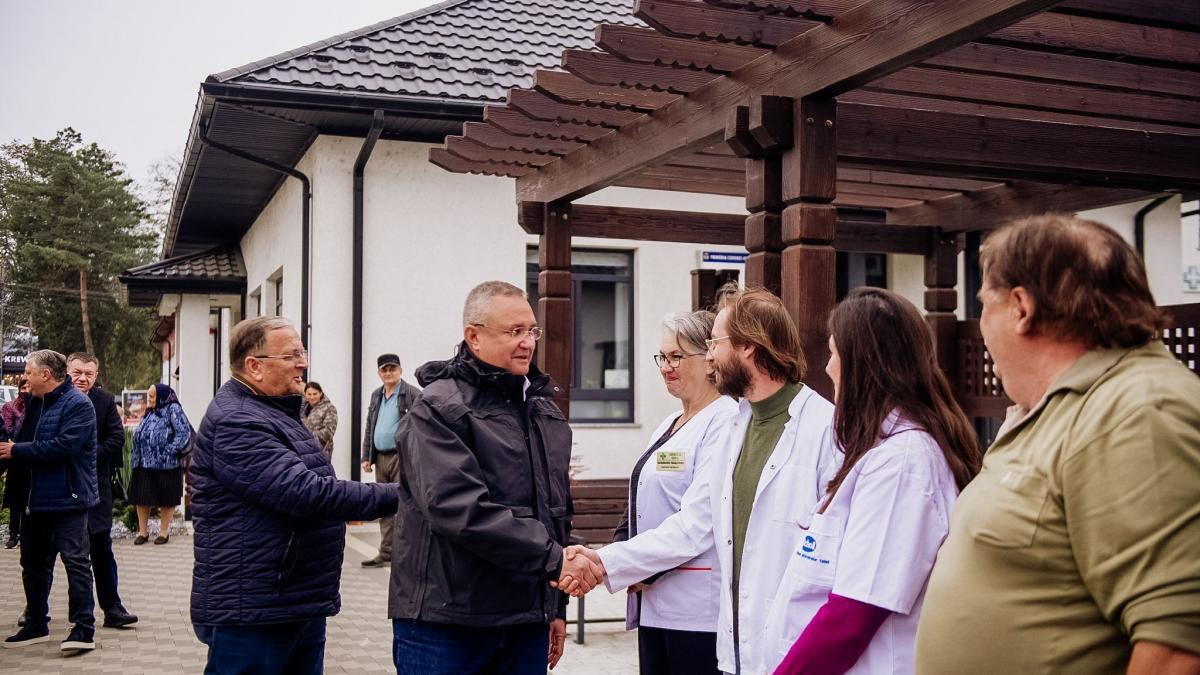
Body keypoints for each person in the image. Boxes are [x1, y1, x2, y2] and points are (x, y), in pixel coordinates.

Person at [916, 215, 1200, 674]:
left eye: (984, 304)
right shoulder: (1067, 407)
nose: (982, 326)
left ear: (1021, 308)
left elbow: (1179, 646)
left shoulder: (1140, 409)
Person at [769, 289, 981, 674]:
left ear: (860, 365)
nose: (828, 367)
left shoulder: (903, 463)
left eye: (833, 354)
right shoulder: (880, 451)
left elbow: (856, 612)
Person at [190, 316, 400, 674]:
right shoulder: (237, 421)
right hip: (256, 609)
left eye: (302, 352)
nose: (303, 363)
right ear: (254, 366)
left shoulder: (276, 410)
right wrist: (406, 493)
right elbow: (307, 493)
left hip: (293, 600)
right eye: (290, 356)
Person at [390, 281, 577, 674]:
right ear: (473, 337)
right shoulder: (437, 409)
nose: (527, 342)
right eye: (514, 332)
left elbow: (554, 511)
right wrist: (555, 561)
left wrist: (555, 604)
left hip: (524, 621)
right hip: (448, 625)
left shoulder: (543, 410)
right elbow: (459, 509)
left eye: (532, 331)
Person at [560, 311, 737, 675]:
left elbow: (696, 524)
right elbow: (639, 499)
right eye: (663, 357)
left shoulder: (726, 422)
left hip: (697, 613)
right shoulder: (669, 424)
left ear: (709, 359)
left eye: (677, 357)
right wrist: (614, 552)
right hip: (652, 600)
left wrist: (603, 563)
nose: (666, 367)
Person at [702, 287, 840, 675]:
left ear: (748, 346)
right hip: (735, 656)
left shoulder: (825, 429)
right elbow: (699, 526)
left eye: (714, 342)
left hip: (797, 653)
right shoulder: (734, 425)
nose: (708, 355)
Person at [0, 350, 99, 652]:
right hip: (34, 499)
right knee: (32, 564)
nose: (24, 378)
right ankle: (35, 623)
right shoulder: (34, 403)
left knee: (76, 563)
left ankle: (83, 630)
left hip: (68, 499)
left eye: (29, 372)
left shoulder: (78, 405)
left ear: (45, 375)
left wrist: (17, 450)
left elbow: (64, 447)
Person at [67, 353, 138, 627]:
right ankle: (38, 613)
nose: (83, 378)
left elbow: (116, 438)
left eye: (89, 373)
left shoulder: (105, 401)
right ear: (67, 370)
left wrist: (88, 453)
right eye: (77, 372)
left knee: (101, 549)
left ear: (96, 376)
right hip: (61, 490)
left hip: (96, 489)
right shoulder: (52, 398)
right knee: (54, 555)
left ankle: (112, 608)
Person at [359, 353, 420, 568]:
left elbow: (421, 426)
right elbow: (370, 425)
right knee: (384, 505)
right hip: (381, 457)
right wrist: (367, 456)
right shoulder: (377, 395)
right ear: (379, 373)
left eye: (392, 369)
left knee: (404, 505)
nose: (388, 373)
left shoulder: (412, 394)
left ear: (400, 370)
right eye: (384, 370)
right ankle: (386, 552)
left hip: (401, 456)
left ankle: (405, 553)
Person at [129, 383, 190, 545]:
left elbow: (183, 432)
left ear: (162, 395)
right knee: (141, 497)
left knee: (166, 498)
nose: (149, 399)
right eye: (148, 395)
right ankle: (143, 532)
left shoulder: (173, 409)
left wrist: (169, 450)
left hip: (166, 464)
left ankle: (164, 533)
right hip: (143, 462)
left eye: (152, 396)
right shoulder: (150, 411)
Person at [1, 376, 30, 549]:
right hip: (16, 457)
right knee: (15, 498)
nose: (26, 390)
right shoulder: (11, 407)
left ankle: (27, 533)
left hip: (32, 457)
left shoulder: (39, 406)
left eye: (29, 386)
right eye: (23, 387)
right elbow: (9, 430)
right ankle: (14, 533)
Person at [301, 381, 338, 460]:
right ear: (305, 394)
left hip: (321, 450)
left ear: (320, 393)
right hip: (303, 450)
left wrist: (306, 436)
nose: (312, 397)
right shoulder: (302, 409)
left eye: (315, 394)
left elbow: (328, 432)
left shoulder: (329, 408)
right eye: (309, 394)